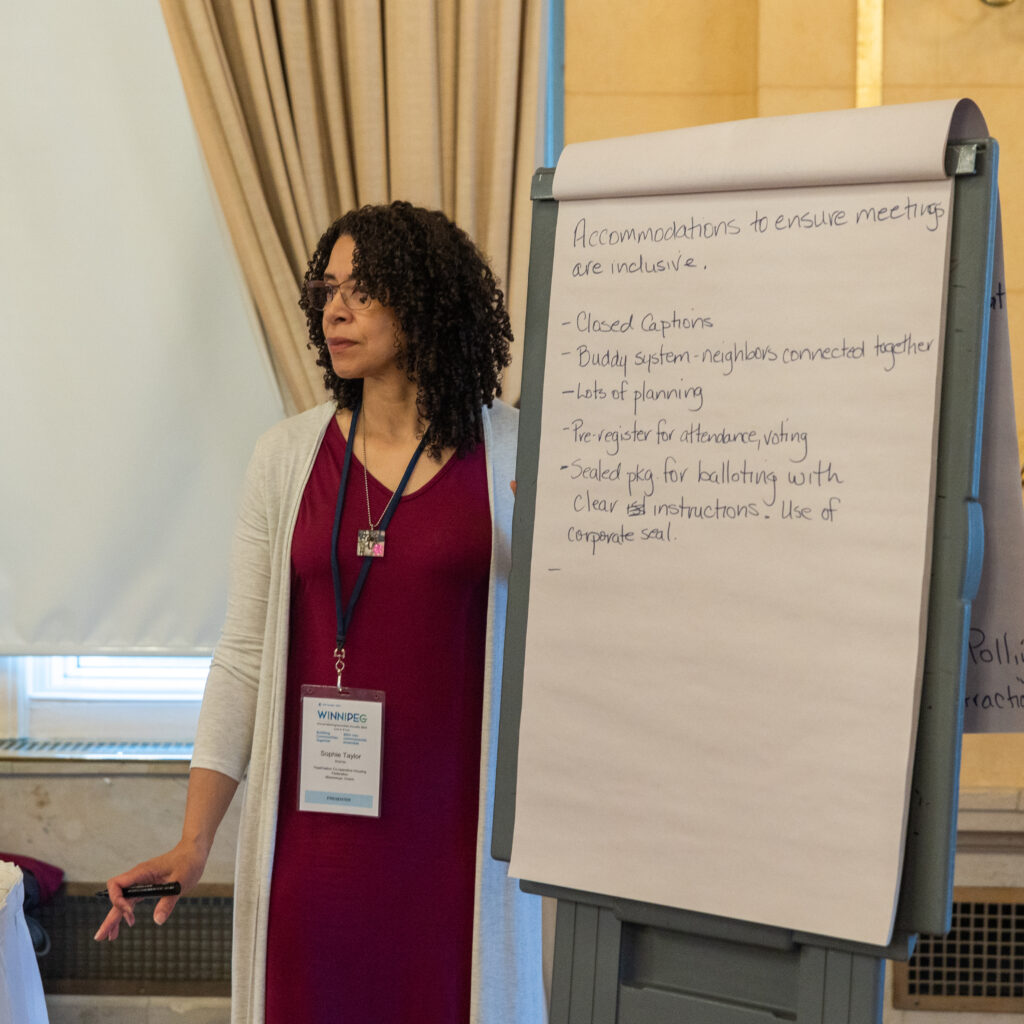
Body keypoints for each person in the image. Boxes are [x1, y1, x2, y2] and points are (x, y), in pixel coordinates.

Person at [95, 202, 545, 1024]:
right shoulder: (286, 457)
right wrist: (198, 842)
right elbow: (243, 656)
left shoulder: (515, 458)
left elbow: (566, 649)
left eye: (364, 291)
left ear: (426, 300)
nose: (335, 310)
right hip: (313, 848)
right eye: (327, 290)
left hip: (453, 848)